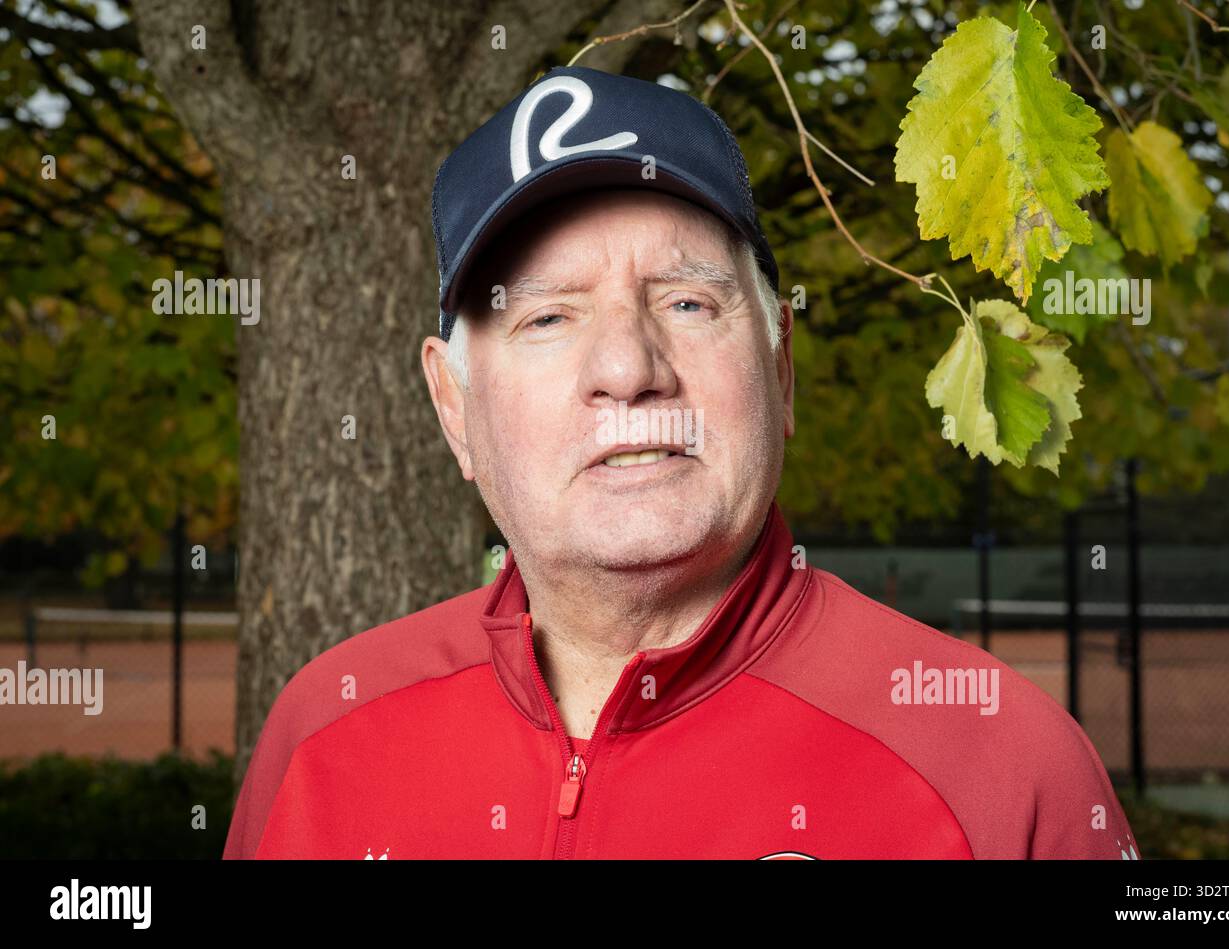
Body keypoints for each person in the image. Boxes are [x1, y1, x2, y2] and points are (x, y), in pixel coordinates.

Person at [223, 65, 1139, 860]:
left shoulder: (998, 764)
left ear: (780, 368)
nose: (628, 369)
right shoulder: (321, 735)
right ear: (454, 407)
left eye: (690, 302)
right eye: (548, 317)